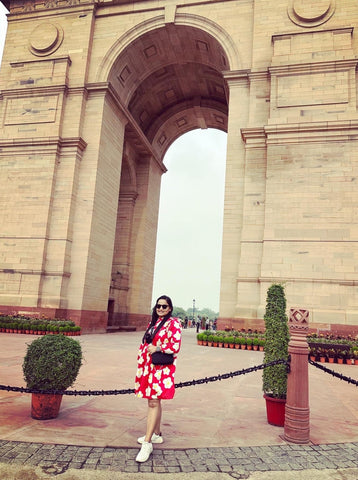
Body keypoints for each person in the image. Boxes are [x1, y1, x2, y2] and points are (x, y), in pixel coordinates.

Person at [134, 295, 182, 463]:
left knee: (153, 402)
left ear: (170, 308)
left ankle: (147, 443)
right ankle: (156, 435)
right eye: (158, 306)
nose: (161, 309)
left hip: (161, 368)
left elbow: (175, 346)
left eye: (164, 306)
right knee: (154, 402)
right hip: (149, 367)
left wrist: (157, 347)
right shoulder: (153, 323)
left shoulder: (174, 323)